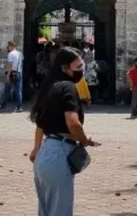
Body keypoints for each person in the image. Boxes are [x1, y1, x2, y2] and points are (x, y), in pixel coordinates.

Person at [29, 47, 99, 216]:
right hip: (59, 153)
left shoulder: (49, 87)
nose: (81, 70)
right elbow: (73, 124)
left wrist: (36, 149)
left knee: (46, 211)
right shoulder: (68, 87)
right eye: (78, 67)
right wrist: (85, 140)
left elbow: (40, 124)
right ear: (65, 68)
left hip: (45, 153)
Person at [0, 40, 23, 112]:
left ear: (10, 46)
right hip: (18, 72)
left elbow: (10, 65)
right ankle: (19, 107)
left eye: (8, 46)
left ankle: (3, 106)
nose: (7, 48)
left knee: (6, 90)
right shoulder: (19, 53)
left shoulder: (11, 54)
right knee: (18, 91)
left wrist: (8, 75)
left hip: (12, 73)